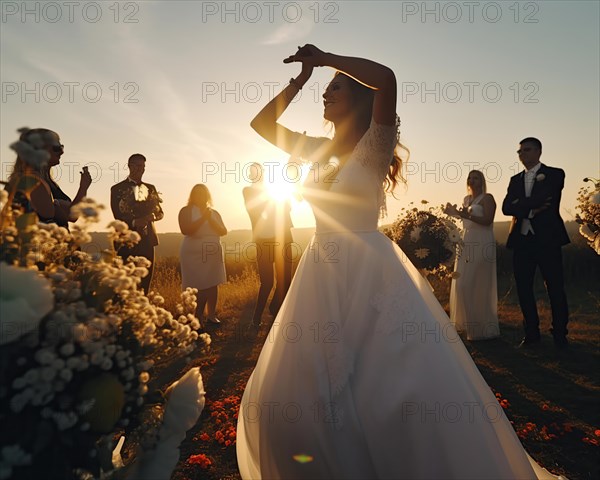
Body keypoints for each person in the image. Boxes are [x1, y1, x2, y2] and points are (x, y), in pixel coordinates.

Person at [236, 45, 563, 479]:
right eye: (325, 88)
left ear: (356, 99)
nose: (325, 93)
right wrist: (303, 78)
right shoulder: (314, 148)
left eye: (334, 88)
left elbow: (386, 78)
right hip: (320, 268)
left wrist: (326, 57)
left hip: (369, 269)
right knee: (296, 391)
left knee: (389, 384)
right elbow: (261, 124)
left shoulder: (374, 144)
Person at [502, 138, 570, 349]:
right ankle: (531, 334)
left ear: (539, 151)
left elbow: (547, 199)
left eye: (527, 150)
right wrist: (531, 209)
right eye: (520, 151)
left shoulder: (555, 174)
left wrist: (519, 204)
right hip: (522, 241)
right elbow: (506, 207)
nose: (522, 154)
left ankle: (560, 334)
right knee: (524, 288)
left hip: (548, 240)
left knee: (555, 288)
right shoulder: (515, 180)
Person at [444, 170, 500, 340]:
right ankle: (464, 324)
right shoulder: (466, 199)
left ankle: (480, 328)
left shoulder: (487, 198)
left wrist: (465, 214)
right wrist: (453, 213)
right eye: (470, 177)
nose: (472, 180)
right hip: (466, 240)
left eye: (476, 177)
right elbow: (465, 220)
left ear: (482, 181)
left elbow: (488, 220)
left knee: (476, 282)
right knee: (461, 282)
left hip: (482, 240)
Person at [6, 128, 92, 229]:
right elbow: (69, 215)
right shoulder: (32, 182)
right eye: (56, 148)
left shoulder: (48, 181)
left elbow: (73, 214)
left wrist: (83, 187)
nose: (61, 152)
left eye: (61, 147)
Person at [243, 162, 294, 328]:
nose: (258, 175)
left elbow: (288, 207)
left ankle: (275, 309)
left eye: (260, 172)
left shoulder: (274, 189)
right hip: (263, 241)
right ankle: (256, 318)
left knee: (285, 280)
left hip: (283, 238)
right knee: (267, 282)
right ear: (251, 175)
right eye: (254, 172)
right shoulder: (248, 191)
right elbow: (258, 210)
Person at [110, 154, 164, 293]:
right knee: (126, 281)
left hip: (147, 240)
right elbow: (118, 215)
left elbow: (160, 213)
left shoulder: (151, 188)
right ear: (129, 166)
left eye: (143, 166)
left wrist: (151, 216)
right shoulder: (117, 189)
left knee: (145, 281)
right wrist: (135, 221)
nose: (141, 169)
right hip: (126, 241)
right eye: (138, 166)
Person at [178, 184, 227, 326]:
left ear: (207, 196)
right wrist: (202, 218)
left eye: (203, 193)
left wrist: (210, 219)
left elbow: (223, 231)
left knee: (212, 282)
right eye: (197, 193)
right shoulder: (186, 211)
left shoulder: (214, 213)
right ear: (192, 196)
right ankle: (196, 317)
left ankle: (211, 315)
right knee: (199, 284)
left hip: (212, 252)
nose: (201, 196)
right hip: (192, 251)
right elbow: (186, 230)